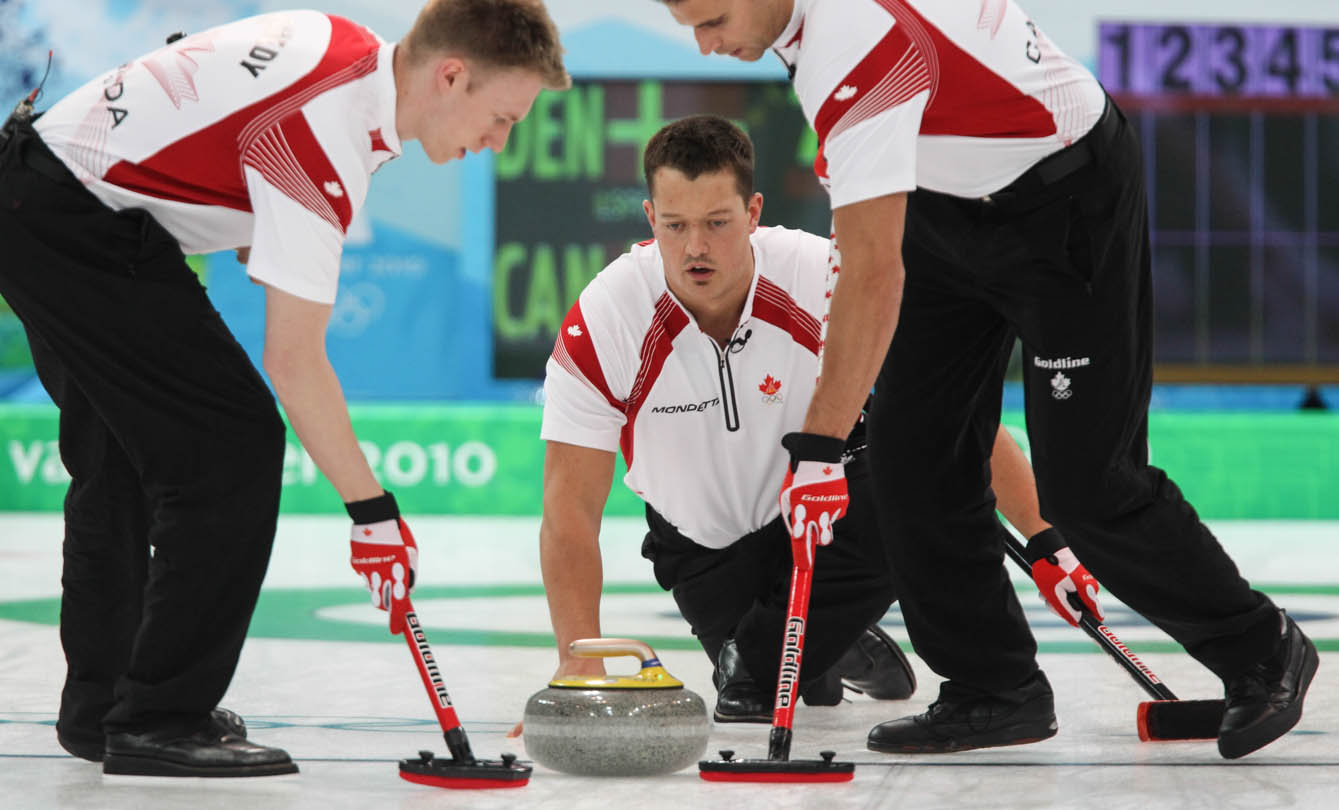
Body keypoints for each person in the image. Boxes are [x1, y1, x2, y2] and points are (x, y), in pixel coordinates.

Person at [653, 0, 1317, 760]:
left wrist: (818, 448)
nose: (706, 47)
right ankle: (992, 688)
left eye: (711, 20)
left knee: (1089, 486)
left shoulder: (852, 42)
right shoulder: (802, 27)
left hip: (1061, 202)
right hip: (944, 205)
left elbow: (871, 274)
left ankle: (1258, 648)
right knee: (911, 458)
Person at [0, 0, 568, 777]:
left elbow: (204, 90)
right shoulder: (325, 131)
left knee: (124, 461)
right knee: (232, 447)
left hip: (45, 196)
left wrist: (236, 212)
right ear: (451, 75)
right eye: (503, 117)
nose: (499, 143)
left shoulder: (342, 44)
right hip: (80, 221)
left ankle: (108, 708)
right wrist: (372, 512)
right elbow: (295, 363)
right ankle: (161, 717)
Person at [536, 114, 1073, 724]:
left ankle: (830, 625)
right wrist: (577, 664)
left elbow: (953, 419)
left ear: (754, 211)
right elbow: (569, 512)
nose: (695, 248)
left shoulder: (821, 276)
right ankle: (840, 640)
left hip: (828, 519)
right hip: (704, 549)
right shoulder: (605, 321)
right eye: (676, 225)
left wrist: (1043, 534)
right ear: (649, 218)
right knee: (793, 687)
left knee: (913, 473)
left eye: (717, 223)